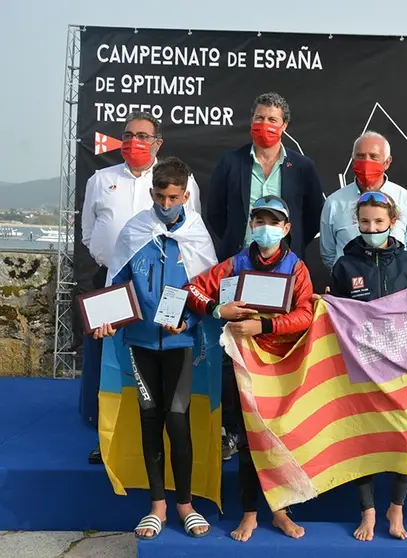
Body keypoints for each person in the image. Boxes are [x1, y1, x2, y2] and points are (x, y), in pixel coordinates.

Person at [92, 157, 215, 540]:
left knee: (178, 420)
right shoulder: (135, 230)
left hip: (180, 342)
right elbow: (117, 283)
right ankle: (157, 507)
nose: (165, 205)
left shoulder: (197, 234)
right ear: (151, 194)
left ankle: (186, 505)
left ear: (186, 195)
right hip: (141, 343)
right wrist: (107, 319)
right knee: (150, 419)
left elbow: (205, 293)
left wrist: (189, 323)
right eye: (160, 197)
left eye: (173, 197)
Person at [186, 195, 313, 543]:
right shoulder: (235, 263)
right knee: (246, 442)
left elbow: (305, 315)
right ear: (251, 226)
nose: (266, 228)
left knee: (279, 441)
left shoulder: (297, 268)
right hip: (242, 366)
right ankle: (250, 513)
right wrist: (217, 310)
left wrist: (265, 327)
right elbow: (191, 290)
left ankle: (281, 512)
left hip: (283, 367)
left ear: (286, 228)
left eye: (273, 222)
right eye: (259, 221)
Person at [206, 92, 323, 459]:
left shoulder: (301, 167)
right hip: (240, 269)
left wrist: (285, 247)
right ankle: (229, 430)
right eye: (258, 118)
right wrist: (242, 247)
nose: (264, 125)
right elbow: (216, 213)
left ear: (285, 126)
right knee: (232, 349)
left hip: (283, 274)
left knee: (276, 348)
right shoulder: (231, 162)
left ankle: (274, 429)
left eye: (272, 120)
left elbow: (313, 215)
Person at [80, 112, 201, 464]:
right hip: (114, 282)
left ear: (157, 143)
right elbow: (89, 231)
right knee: (110, 366)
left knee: (158, 379)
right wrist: (114, 260)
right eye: (129, 134)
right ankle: (108, 442)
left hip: (162, 287)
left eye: (143, 136)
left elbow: (191, 235)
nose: (135, 141)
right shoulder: (100, 180)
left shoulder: (177, 181)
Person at [329, 190, 407, 542]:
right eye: (365, 222)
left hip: (402, 363)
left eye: (379, 222)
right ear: (357, 222)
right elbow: (337, 314)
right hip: (361, 365)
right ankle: (367, 511)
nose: (372, 228)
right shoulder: (344, 264)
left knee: (405, 436)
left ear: (393, 223)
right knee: (364, 439)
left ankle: (395, 507)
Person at [320, 131, 407, 272]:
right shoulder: (334, 203)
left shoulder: (406, 199)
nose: (366, 163)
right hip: (350, 289)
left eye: (374, 157)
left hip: (397, 290)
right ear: (353, 161)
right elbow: (329, 254)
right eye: (360, 157)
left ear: (387, 162)